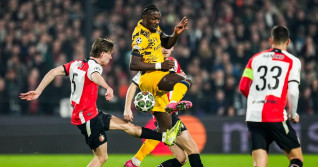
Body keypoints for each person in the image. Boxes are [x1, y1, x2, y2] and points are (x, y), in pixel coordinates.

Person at [19, 37, 183, 167]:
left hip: (92, 113)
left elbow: (53, 71)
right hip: (87, 118)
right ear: (102, 54)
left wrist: (38, 91)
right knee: (102, 157)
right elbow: (94, 76)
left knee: (127, 125)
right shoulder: (95, 66)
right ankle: (163, 137)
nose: (111, 57)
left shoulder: (76, 64)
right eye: (110, 53)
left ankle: (164, 137)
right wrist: (108, 87)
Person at [124, 47, 203, 167]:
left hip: (169, 111)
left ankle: (135, 161)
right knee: (193, 150)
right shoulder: (151, 64)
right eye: (162, 46)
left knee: (181, 158)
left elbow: (178, 83)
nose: (165, 49)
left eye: (168, 47)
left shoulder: (174, 63)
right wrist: (127, 108)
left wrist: (181, 77)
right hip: (164, 112)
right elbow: (133, 86)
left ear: (173, 48)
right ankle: (135, 161)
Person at [239, 26, 303, 167]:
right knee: (296, 159)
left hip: (253, 115)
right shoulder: (293, 61)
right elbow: (293, 91)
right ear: (288, 42)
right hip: (275, 114)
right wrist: (293, 113)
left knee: (259, 163)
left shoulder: (254, 59)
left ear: (271, 40)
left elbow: (243, 86)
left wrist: (255, 100)